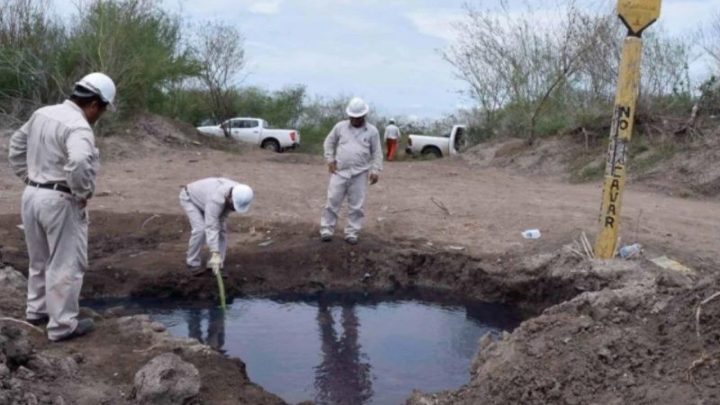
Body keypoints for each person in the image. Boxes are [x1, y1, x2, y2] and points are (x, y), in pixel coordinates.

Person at [8, 72, 116, 342]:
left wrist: (29, 177)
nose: (98, 116)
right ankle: (62, 326)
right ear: (93, 104)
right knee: (66, 263)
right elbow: (79, 162)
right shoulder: (79, 127)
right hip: (60, 199)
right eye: (101, 111)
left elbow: (15, 146)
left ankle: (36, 311)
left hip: (31, 195)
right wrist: (81, 192)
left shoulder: (42, 113)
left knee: (39, 259)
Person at [320, 97, 383, 245]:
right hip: (339, 171)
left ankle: (352, 232)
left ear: (363, 116)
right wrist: (330, 159)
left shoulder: (372, 131)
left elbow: (377, 152)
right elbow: (329, 142)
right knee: (332, 201)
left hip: (360, 173)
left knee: (356, 205)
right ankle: (326, 230)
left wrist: (376, 170)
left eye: (357, 117)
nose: (354, 120)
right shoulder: (340, 127)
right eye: (352, 117)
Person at [179, 178, 253, 275]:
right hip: (190, 199)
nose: (233, 209)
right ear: (230, 198)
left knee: (222, 230)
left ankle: (216, 265)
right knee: (200, 229)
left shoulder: (239, 193)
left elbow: (221, 219)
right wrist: (214, 252)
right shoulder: (216, 199)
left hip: (207, 200)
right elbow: (211, 226)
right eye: (233, 206)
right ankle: (192, 262)